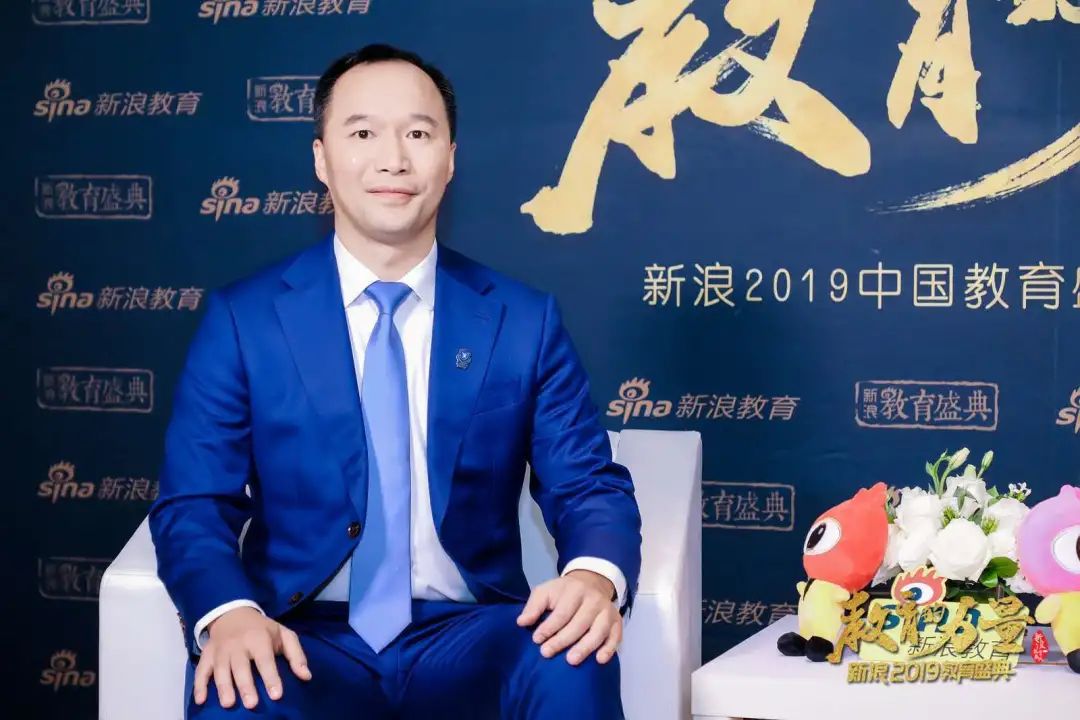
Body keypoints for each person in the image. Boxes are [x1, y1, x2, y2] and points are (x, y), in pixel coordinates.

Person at [148, 43, 642, 719]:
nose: (393, 159)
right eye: (362, 134)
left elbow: (587, 484)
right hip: (301, 634)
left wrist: (592, 575)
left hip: (472, 632)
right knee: (239, 682)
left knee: (572, 655)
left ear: (450, 159)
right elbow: (193, 503)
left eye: (417, 133)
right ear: (321, 159)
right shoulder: (245, 320)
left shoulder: (522, 320)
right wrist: (228, 613)